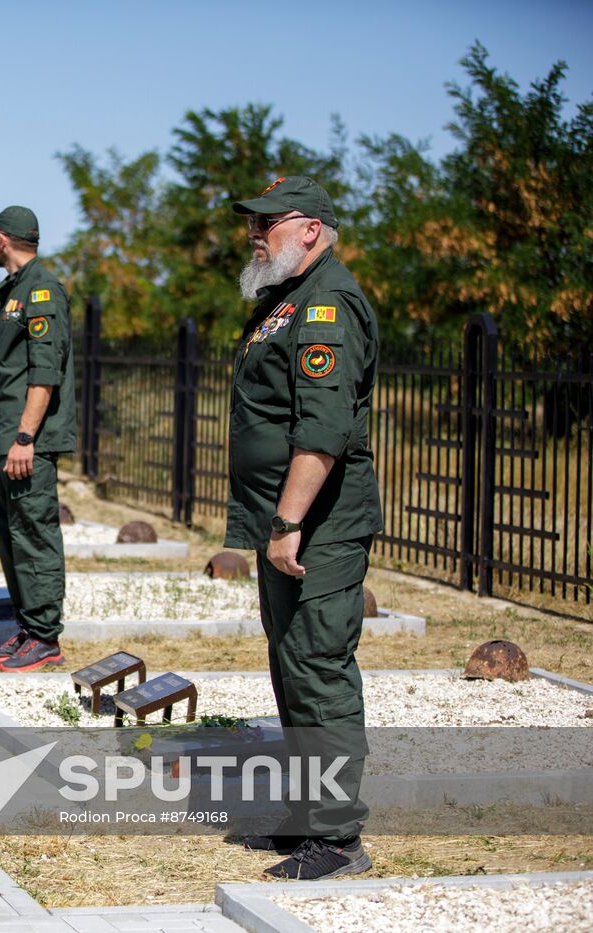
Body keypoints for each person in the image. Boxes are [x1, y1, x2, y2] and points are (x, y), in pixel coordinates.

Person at [226, 176, 383, 881]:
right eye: (251, 224)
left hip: (318, 527)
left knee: (319, 667)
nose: (255, 235)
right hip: (283, 525)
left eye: (268, 223)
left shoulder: (327, 303)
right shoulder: (287, 300)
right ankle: (309, 813)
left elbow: (321, 430)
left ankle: (339, 837)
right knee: (292, 666)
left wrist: (289, 520)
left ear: (311, 228)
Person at [0, 206, 77, 673]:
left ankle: (45, 636)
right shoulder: (14, 291)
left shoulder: (42, 289)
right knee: (11, 537)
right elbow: (2, 378)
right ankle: (27, 627)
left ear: (2, 240)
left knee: (33, 534)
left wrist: (23, 437)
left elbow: (44, 373)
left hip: (26, 441)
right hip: (3, 440)